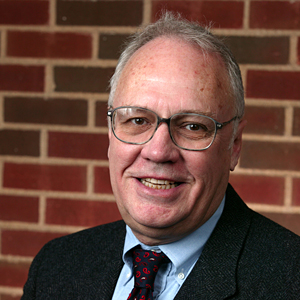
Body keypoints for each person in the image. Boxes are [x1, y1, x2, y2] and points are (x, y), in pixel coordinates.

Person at [21, 12, 300, 300]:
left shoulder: (291, 282)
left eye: (192, 126)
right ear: (110, 130)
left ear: (235, 144)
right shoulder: (56, 267)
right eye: (138, 121)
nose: (158, 151)